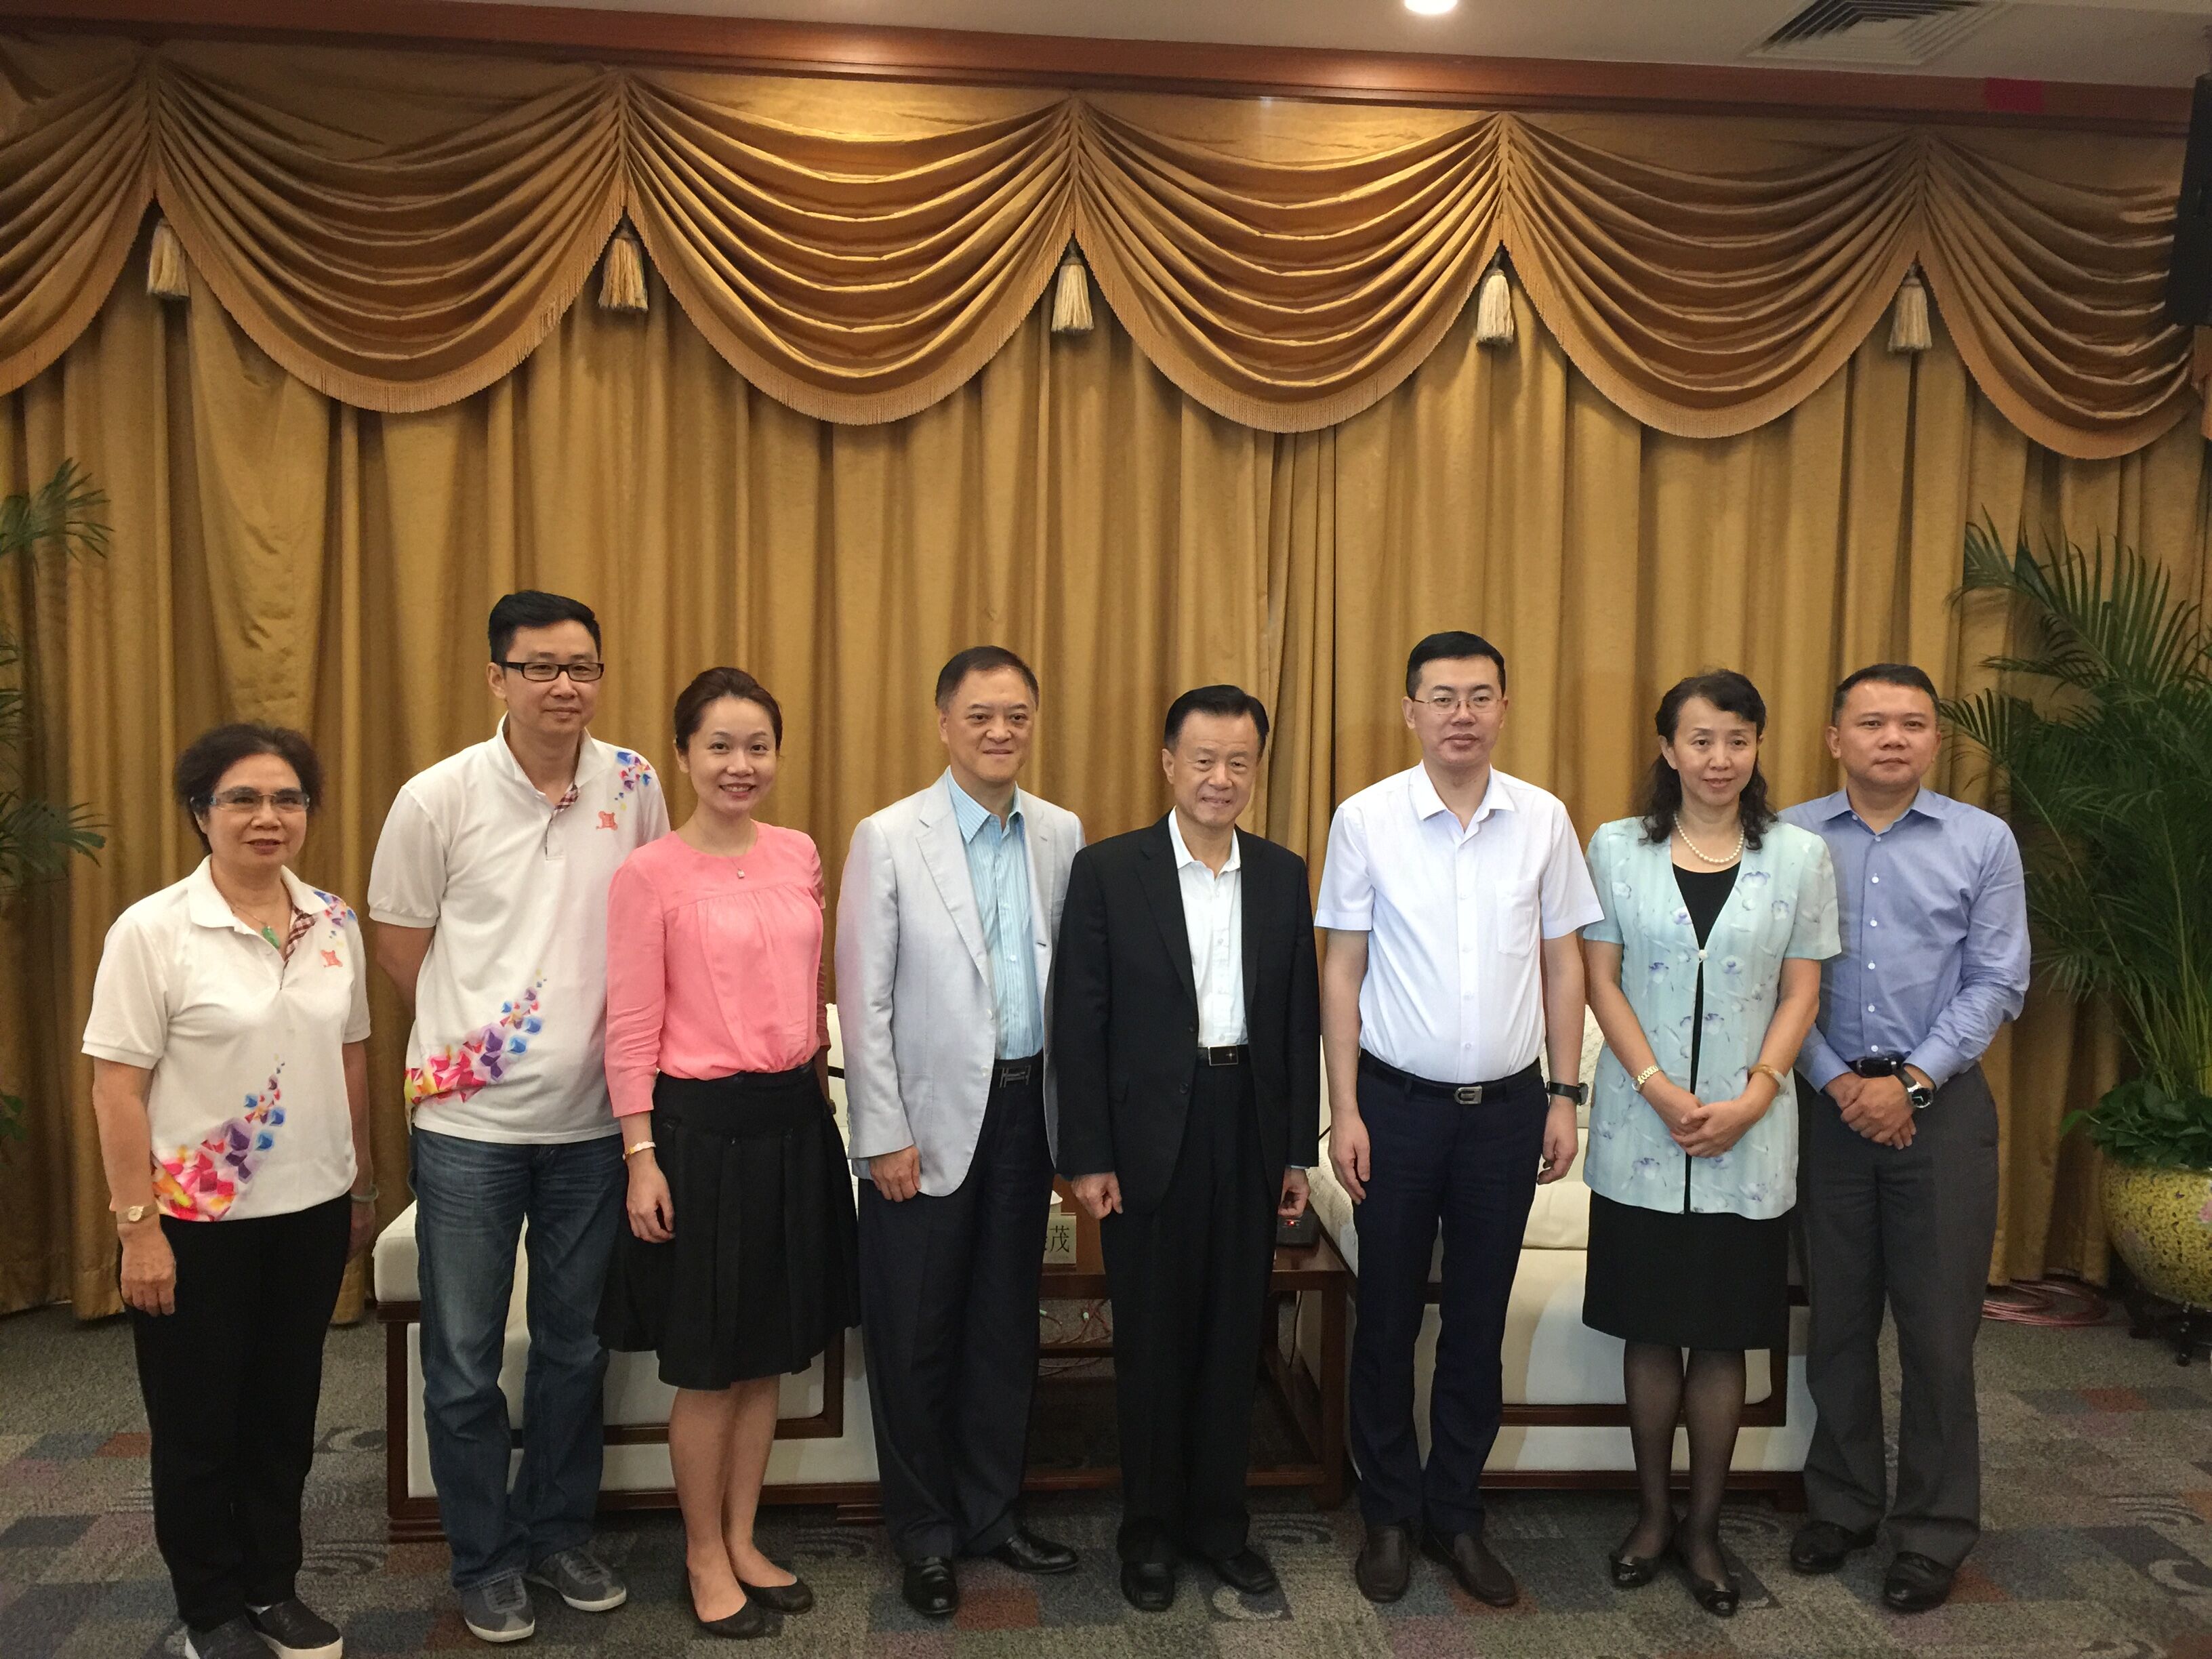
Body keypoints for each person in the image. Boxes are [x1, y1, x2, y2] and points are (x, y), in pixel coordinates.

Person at [369, 591, 668, 1644]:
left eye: (581, 666)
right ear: (497, 677)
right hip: (470, 1131)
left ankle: (556, 1535)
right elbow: (401, 945)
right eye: (540, 667)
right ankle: (484, 1559)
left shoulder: (633, 782)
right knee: (462, 1358)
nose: (564, 686)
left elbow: (652, 917)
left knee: (574, 1348)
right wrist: (476, 1041)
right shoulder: (437, 797)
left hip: (594, 1122)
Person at [1317, 631, 1601, 1610]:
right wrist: (1344, 1109)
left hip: (1508, 1115)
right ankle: (1388, 1515)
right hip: (1395, 1111)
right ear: (1410, 711)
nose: (1461, 715)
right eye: (1441, 697)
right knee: (1387, 1320)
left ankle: (1456, 1513)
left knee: (1478, 1325)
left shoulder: (1544, 819)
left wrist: (1564, 1094)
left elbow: (1563, 962)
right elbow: (1342, 970)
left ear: (1504, 709)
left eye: (1480, 696)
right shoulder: (1366, 819)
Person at [85, 724, 375, 1659]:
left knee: (284, 1416)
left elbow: (350, 1054)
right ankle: (210, 1610)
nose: (267, 817)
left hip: (310, 1210)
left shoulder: (332, 920)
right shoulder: (154, 930)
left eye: (287, 798)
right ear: (200, 813)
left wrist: (360, 1183)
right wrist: (138, 1231)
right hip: (194, 1221)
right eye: (241, 799)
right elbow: (116, 1088)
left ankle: (273, 1588)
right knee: (199, 1425)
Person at [597, 668, 860, 1640]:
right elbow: (631, 1026)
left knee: (767, 1358)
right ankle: (702, 1554)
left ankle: (744, 1538)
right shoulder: (648, 874)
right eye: (719, 746)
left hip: (794, 1123)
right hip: (698, 1135)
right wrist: (641, 1155)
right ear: (683, 756)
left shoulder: (798, 853)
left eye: (757, 746)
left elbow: (810, 992)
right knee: (710, 1365)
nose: (739, 765)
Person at [1053, 686, 1322, 1612]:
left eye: (1239, 763)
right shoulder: (1109, 871)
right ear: (1169, 763)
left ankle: (1220, 1527)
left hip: (1247, 1121)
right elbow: (1079, 1020)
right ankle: (1149, 1534)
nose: (1220, 779)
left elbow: (1296, 1021)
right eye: (1203, 760)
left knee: (1233, 1336)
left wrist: (1296, 1154)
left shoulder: (1282, 874)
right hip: (1146, 1136)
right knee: (1153, 1342)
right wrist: (1088, 1155)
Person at [1578, 670, 1837, 1618]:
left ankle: (1704, 1530)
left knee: (1724, 1339)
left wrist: (1755, 1095)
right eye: (1700, 740)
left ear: (1757, 747)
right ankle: (1652, 1517)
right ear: (1668, 748)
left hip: (1748, 1137)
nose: (1719, 758)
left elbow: (1803, 991)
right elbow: (1599, 980)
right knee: (1650, 1331)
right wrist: (1657, 1086)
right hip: (1640, 1129)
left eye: (1737, 739)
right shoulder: (1616, 847)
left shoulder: (1799, 856)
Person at [834, 645, 1084, 1618]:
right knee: (914, 1336)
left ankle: (992, 1514)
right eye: (980, 715)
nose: (999, 732)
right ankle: (926, 1534)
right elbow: (863, 1000)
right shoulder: (890, 837)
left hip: (1027, 1113)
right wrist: (882, 1133)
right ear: (944, 724)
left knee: (1003, 1327)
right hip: (923, 1124)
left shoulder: (1060, 832)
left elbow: (1072, 988)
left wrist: (1073, 1129)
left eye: (1016, 715)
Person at [1779, 663, 2028, 1614]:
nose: (1893, 738)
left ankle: (1932, 1531)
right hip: (1828, 1102)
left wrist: (1912, 1082)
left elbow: (1997, 979)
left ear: (1935, 740)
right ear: (1835, 738)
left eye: (1913, 724)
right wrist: (1838, 1081)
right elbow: (1775, 979)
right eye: (1873, 722)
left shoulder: (1982, 840)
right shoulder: (1790, 838)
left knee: (1937, 1332)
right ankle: (1842, 1505)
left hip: (1943, 1107)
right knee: (1838, 1321)